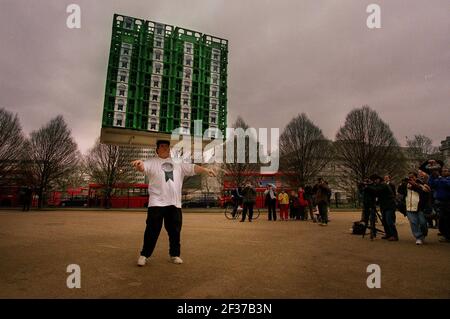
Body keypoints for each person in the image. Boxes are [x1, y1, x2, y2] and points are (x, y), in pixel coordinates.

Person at [132, 140, 216, 266]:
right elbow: (143, 167)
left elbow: (192, 168)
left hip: (174, 203)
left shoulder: (178, 163)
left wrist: (204, 169)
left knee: (175, 231)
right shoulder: (151, 161)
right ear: (157, 149)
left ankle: (174, 254)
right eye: (161, 146)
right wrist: (139, 164)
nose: (164, 148)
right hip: (156, 202)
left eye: (166, 146)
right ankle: (144, 255)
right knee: (152, 230)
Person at [426, 161, 450, 243]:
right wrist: (432, 175)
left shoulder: (445, 179)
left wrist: (439, 177)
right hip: (440, 202)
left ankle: (448, 236)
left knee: (447, 219)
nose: (444, 172)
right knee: (442, 220)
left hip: (448, 202)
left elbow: (448, 185)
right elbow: (431, 184)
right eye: (443, 171)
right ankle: (445, 234)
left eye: (446, 171)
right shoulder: (440, 179)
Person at [405, 172, 430, 245]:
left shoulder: (421, 185)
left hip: (420, 207)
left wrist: (416, 185)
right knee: (413, 222)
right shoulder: (406, 185)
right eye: (409, 177)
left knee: (423, 223)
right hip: (409, 207)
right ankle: (418, 237)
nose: (411, 178)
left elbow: (425, 193)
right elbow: (400, 191)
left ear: (416, 177)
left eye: (412, 177)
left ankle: (424, 234)